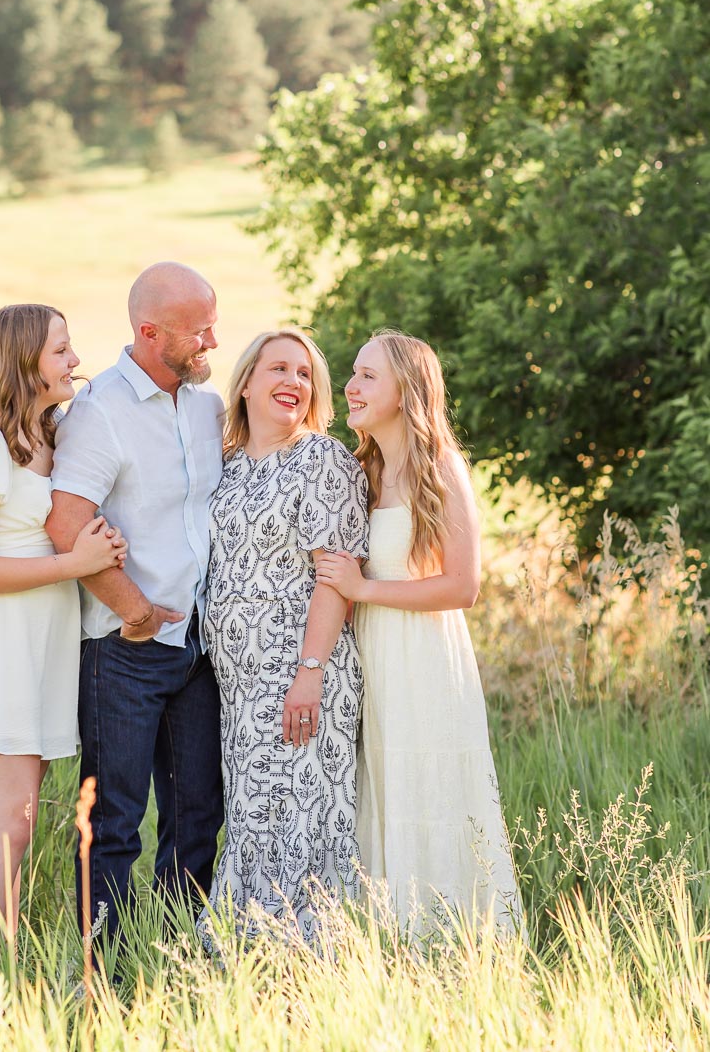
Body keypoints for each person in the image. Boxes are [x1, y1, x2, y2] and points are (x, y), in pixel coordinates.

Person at [0, 303, 127, 953]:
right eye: (61, 351)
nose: (75, 361)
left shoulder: (50, 435)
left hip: (40, 646)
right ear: (23, 362)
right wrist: (75, 563)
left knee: (23, 819)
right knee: (6, 821)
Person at [316, 329, 522, 936]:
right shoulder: (363, 470)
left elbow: (463, 586)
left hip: (425, 656)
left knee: (429, 785)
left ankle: (452, 937)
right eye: (352, 373)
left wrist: (366, 590)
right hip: (371, 658)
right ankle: (390, 936)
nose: (350, 387)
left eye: (368, 376)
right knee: (381, 790)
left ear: (407, 390)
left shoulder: (441, 467)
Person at [47, 262, 225, 949]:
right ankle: (106, 974)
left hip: (197, 651)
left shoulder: (207, 407)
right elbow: (67, 523)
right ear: (151, 333)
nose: (213, 339)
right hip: (123, 653)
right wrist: (137, 610)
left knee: (197, 815)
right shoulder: (100, 413)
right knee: (115, 820)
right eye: (199, 330)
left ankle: (178, 958)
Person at [197, 328, 368, 947]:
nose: (292, 382)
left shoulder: (322, 461)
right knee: (252, 814)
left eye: (303, 374)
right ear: (245, 383)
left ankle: (311, 955)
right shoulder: (230, 466)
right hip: (239, 682)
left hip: (303, 670)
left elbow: (335, 578)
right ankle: (246, 950)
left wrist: (310, 671)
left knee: (302, 810)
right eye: (278, 369)